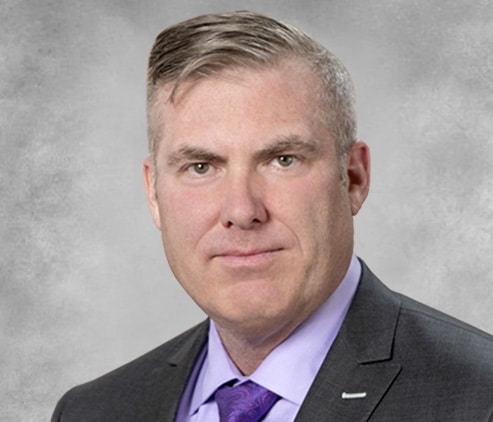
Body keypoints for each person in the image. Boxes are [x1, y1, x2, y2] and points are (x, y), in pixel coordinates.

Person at [52, 10, 493, 421]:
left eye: (283, 160)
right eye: (201, 167)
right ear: (153, 192)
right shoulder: (93, 410)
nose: (242, 211)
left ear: (354, 177)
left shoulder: (478, 396)